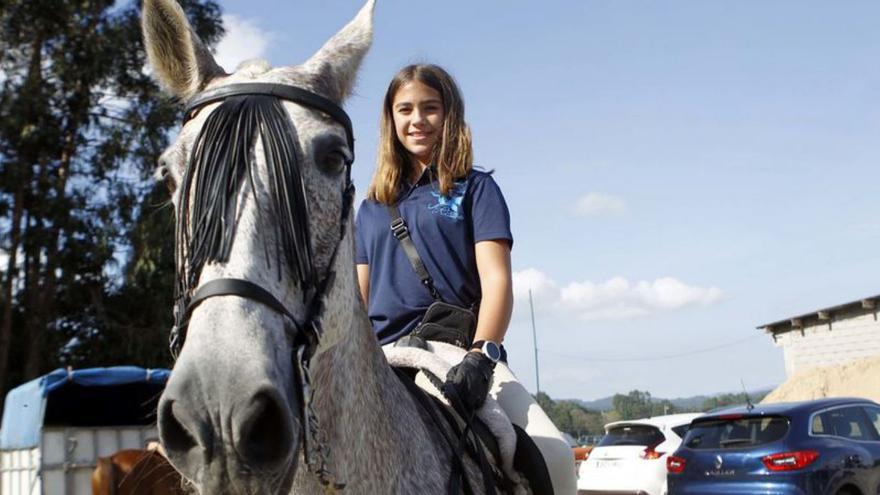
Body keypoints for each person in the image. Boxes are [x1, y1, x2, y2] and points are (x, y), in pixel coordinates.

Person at [355, 64, 576, 494]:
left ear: (449, 115)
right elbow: (357, 302)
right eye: (405, 109)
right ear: (391, 119)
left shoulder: (476, 190)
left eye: (430, 108)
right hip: (384, 359)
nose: (417, 119)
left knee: (557, 455)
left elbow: (497, 283)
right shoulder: (370, 209)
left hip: (458, 354)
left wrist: (481, 356)